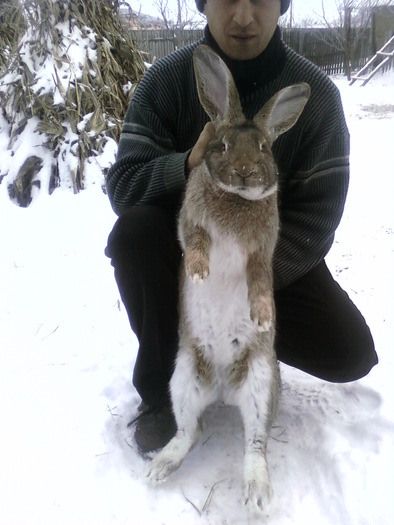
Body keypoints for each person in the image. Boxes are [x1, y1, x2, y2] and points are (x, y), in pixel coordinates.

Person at [105, 0, 378, 454]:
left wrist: (253, 281)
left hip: (265, 258)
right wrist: (188, 164)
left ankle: (249, 356)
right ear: (203, 4)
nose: (245, 16)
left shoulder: (318, 97)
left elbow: (319, 217)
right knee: (133, 235)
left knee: (348, 350)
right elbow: (125, 185)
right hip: (190, 258)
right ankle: (162, 391)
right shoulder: (165, 82)